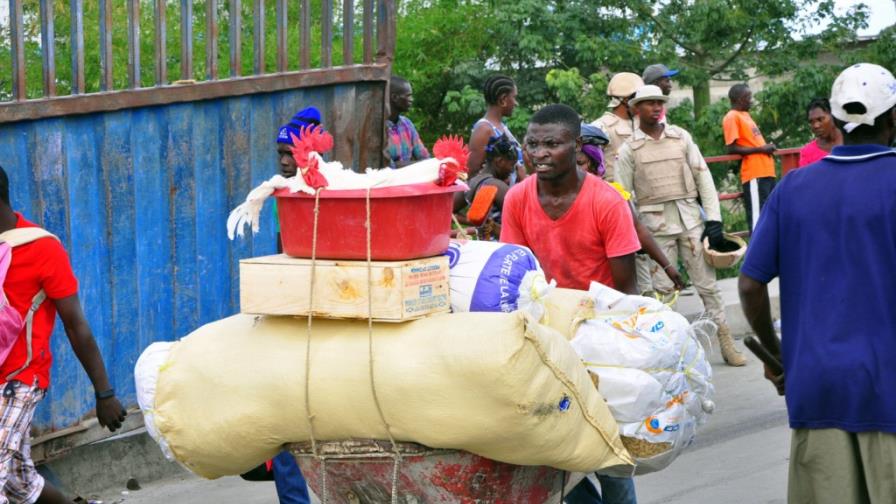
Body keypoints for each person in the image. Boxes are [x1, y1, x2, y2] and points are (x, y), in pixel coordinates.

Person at [738, 63, 896, 504]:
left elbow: (750, 284)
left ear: (837, 119)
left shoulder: (794, 187)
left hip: (818, 386)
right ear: (893, 118)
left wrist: (776, 357)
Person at [500, 104, 640, 504]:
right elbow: (513, 276)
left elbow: (626, 292)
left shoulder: (607, 202)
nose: (540, 153)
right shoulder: (516, 199)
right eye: (533, 144)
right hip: (544, 338)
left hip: (599, 339)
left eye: (552, 144)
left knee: (609, 457)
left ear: (577, 146)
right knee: (555, 459)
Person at [0, 165, 126, 503]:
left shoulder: (41, 248)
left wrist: (104, 393)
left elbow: (75, 325)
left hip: (19, 381)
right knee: (19, 482)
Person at [616, 85, 747, 367]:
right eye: (648, 103)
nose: (655, 107)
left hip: (691, 222)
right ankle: (669, 351)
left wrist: (713, 220)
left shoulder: (681, 138)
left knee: (708, 286)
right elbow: (623, 197)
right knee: (663, 293)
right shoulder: (630, 149)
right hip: (654, 229)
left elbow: (704, 179)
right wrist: (632, 235)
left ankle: (726, 340)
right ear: (636, 109)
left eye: (659, 102)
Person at [578, 124, 685, 292]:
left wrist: (667, 267)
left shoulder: (612, 194)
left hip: (606, 286)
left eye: (581, 163)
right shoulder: (549, 198)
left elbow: (638, 229)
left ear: (594, 163)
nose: (577, 170)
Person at [722, 84, 776, 231]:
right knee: (758, 222)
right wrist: (761, 149)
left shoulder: (746, 116)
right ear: (739, 99)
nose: (751, 100)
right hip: (755, 174)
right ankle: (756, 254)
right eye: (748, 97)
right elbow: (731, 148)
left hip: (766, 173)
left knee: (770, 217)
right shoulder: (732, 116)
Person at [453, 134, 517, 240]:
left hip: (484, 248)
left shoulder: (471, 183)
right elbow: (522, 222)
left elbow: (449, 211)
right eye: (512, 165)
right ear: (500, 161)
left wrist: (475, 221)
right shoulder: (498, 187)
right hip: (503, 250)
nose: (512, 170)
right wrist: (492, 227)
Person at [589, 72, 644, 182]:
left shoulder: (644, 124)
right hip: (615, 194)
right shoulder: (600, 127)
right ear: (625, 100)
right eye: (638, 98)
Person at [467, 75, 524, 180]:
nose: (516, 103)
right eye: (514, 97)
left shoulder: (501, 127)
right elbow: (473, 176)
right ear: (503, 99)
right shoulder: (484, 130)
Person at [386, 76, 430, 168]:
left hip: (410, 179)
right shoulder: (377, 127)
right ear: (394, 97)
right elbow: (387, 167)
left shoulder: (407, 124)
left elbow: (424, 157)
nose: (412, 99)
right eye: (408, 96)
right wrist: (417, 164)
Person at [797, 97, 843, 167]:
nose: (816, 125)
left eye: (820, 119)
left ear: (833, 115)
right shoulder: (807, 153)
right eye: (811, 122)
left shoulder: (852, 141)